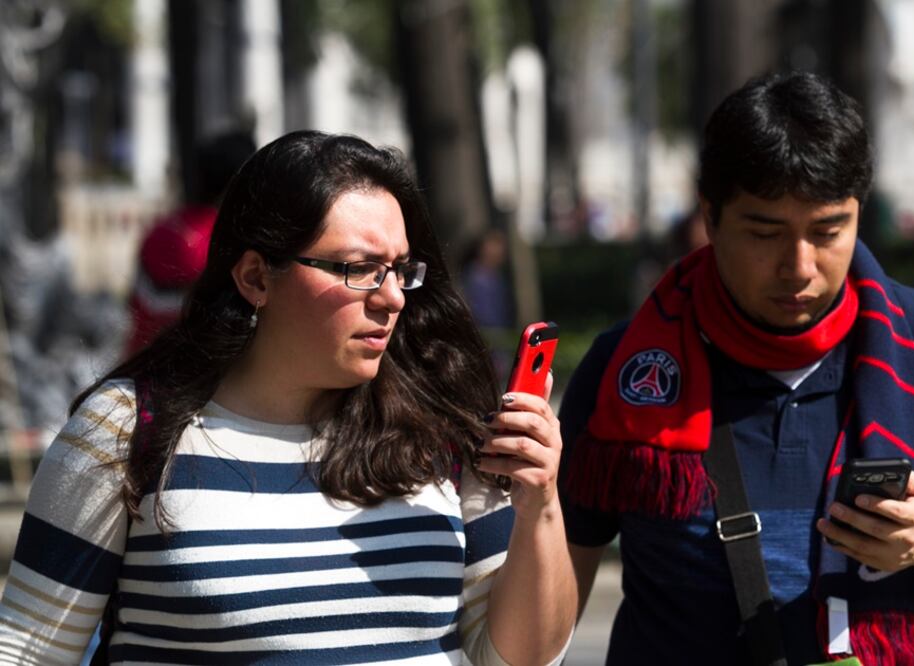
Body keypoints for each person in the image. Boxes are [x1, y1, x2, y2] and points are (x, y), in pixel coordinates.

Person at [0, 131, 575, 664]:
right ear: (255, 278)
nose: (393, 297)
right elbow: (25, 651)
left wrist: (540, 506)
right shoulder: (128, 428)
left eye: (400, 269)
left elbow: (523, 659)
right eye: (359, 269)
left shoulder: (443, 427)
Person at [557, 72, 914, 665]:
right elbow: (547, 622)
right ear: (710, 218)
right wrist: (534, 496)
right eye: (765, 233)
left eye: (827, 232)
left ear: (859, 216)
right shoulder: (630, 370)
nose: (798, 266)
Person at [124, 130, 256, 356]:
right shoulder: (232, 241)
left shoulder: (158, 231)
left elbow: (134, 303)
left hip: (142, 362)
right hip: (200, 374)